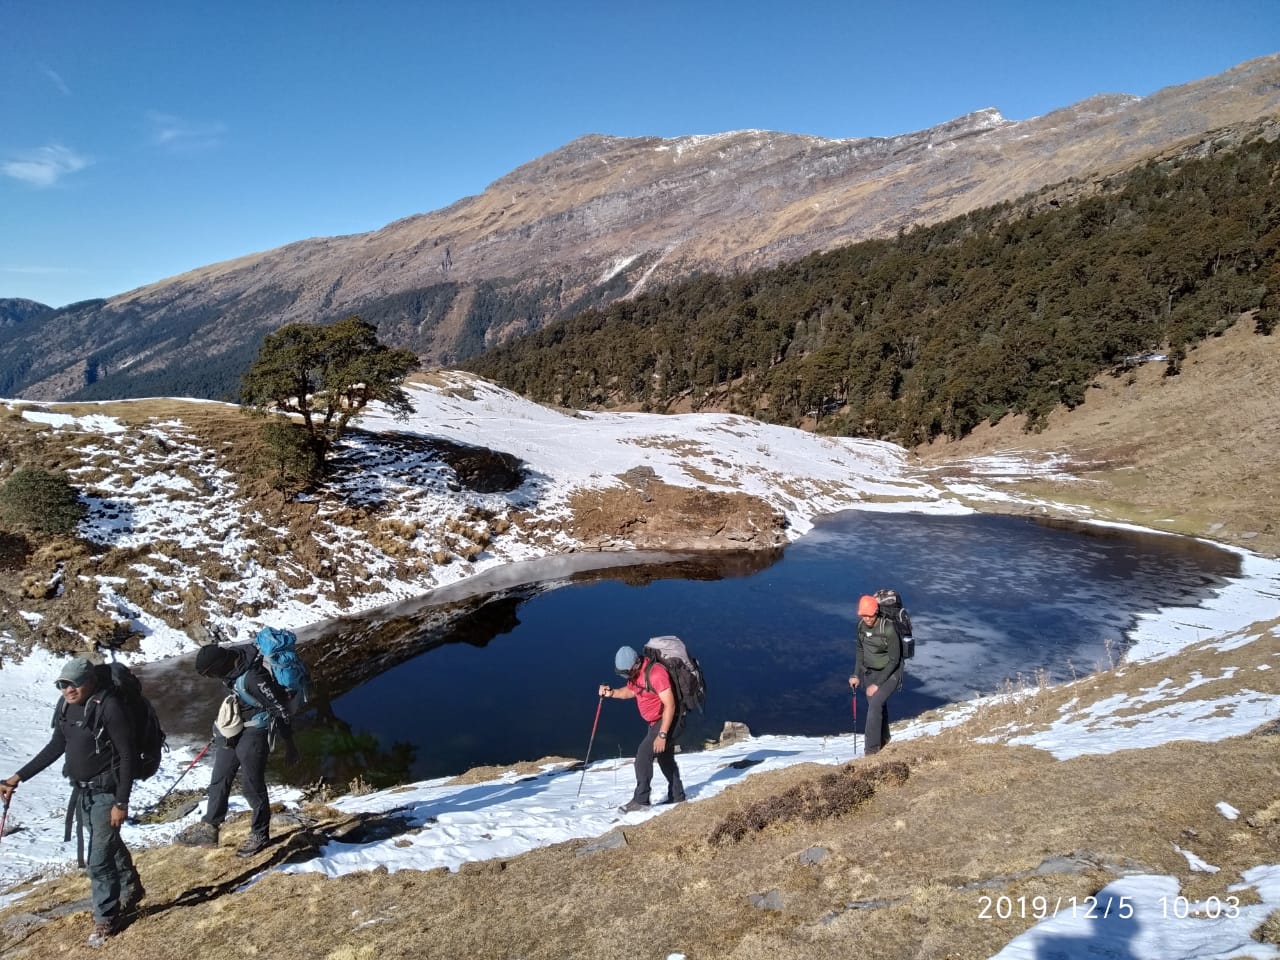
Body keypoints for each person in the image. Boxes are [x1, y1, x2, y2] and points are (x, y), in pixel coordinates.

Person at [0, 657, 144, 948]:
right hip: (83, 792)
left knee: (98, 860)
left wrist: (122, 802)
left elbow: (127, 755)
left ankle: (106, 917)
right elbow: (56, 745)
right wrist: (18, 777)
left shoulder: (109, 707)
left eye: (73, 685)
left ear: (89, 681)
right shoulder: (67, 708)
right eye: (62, 685)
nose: (67, 690)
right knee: (107, 845)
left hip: (107, 793)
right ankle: (132, 888)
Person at [175, 643, 299, 857]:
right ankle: (209, 828)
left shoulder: (252, 677)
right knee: (220, 777)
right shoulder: (230, 670)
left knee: (252, 784)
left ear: (219, 664)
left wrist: (289, 744)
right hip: (237, 726)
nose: (210, 677)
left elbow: (279, 709)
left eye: (209, 673)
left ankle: (260, 833)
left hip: (256, 729)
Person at [598, 645, 686, 813]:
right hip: (656, 722)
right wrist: (612, 693)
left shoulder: (656, 674)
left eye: (626, 673)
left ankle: (641, 800)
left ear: (636, 664)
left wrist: (662, 734)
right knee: (664, 758)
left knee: (643, 756)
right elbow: (630, 691)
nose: (626, 677)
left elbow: (670, 705)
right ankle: (677, 795)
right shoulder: (636, 675)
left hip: (668, 720)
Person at [848, 594, 904, 754]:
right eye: (863, 615)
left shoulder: (888, 628)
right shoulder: (860, 627)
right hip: (870, 673)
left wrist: (876, 684)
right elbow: (860, 651)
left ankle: (871, 752)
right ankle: (884, 739)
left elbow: (894, 661)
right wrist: (856, 674)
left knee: (874, 705)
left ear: (876, 612)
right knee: (878, 706)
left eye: (870, 615)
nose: (867, 619)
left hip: (891, 674)